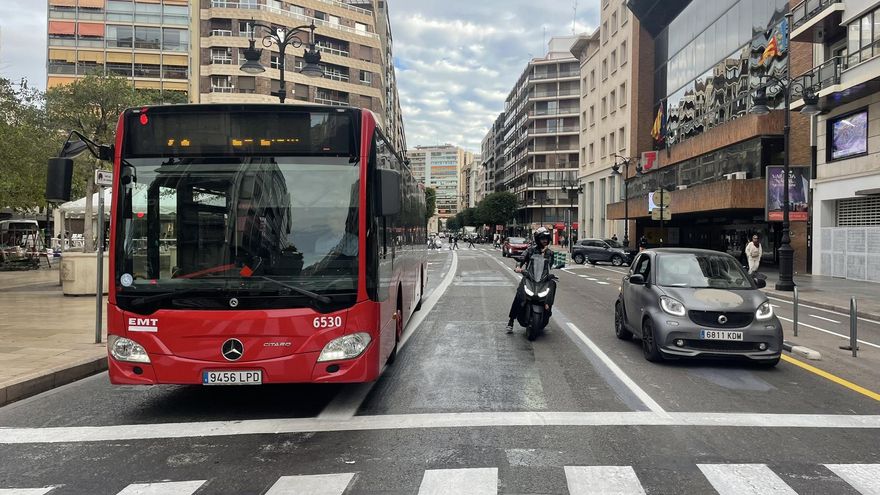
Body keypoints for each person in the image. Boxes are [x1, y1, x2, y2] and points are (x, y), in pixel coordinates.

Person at [505, 227, 556, 334]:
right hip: (530, 277)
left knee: (553, 283)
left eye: (546, 238)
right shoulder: (530, 250)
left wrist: (550, 273)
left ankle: (548, 306)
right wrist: (518, 267)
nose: (544, 240)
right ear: (537, 239)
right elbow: (521, 259)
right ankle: (511, 320)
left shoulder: (550, 253)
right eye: (542, 238)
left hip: (543, 280)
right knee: (519, 295)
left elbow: (550, 266)